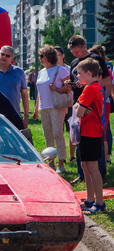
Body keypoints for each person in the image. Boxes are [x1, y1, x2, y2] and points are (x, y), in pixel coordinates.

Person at [65, 35, 111, 184]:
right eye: (73, 52)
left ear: (84, 46)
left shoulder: (95, 59)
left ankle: (100, 174)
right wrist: (72, 84)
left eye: (77, 52)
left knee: (95, 139)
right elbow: (76, 82)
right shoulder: (73, 63)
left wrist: (104, 99)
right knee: (79, 138)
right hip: (78, 102)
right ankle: (82, 173)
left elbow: (106, 80)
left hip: (92, 105)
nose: (75, 55)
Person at [32, 45, 70, 174]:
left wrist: (57, 89)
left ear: (48, 57)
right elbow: (39, 93)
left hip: (56, 106)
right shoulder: (41, 72)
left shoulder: (61, 70)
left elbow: (69, 87)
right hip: (44, 107)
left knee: (57, 133)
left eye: (42, 56)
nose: (40, 58)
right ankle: (51, 162)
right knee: (48, 135)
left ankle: (61, 162)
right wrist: (36, 109)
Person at [74, 58, 105, 214]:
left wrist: (81, 108)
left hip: (91, 133)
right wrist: (81, 108)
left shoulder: (90, 89)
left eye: (79, 73)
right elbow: (80, 109)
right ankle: (90, 199)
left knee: (92, 168)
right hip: (88, 132)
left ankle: (99, 202)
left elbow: (78, 111)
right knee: (85, 166)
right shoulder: (94, 86)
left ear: (88, 73)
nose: (77, 77)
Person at [0, 46, 30, 128]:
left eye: (7, 56)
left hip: (14, 116)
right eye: (2, 54)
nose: (4, 57)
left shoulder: (19, 72)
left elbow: (24, 95)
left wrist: (26, 116)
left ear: (12, 58)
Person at [55, 46, 76, 162]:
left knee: (71, 130)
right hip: (56, 104)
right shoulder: (51, 69)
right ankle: (59, 156)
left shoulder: (69, 69)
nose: (55, 57)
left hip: (69, 103)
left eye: (57, 54)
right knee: (58, 131)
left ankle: (72, 156)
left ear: (63, 56)